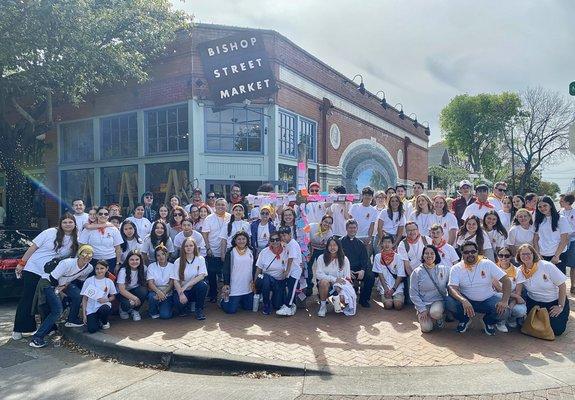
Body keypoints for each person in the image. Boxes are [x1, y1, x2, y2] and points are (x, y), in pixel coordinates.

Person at [12, 213, 79, 340]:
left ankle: (48, 328)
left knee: (47, 301)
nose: (68, 224)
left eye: (70, 222)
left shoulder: (76, 238)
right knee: (28, 298)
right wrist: (22, 263)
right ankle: (19, 328)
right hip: (33, 268)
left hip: (50, 274)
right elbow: (33, 248)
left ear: (75, 224)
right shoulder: (49, 232)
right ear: (60, 223)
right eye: (65, 222)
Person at [29, 246, 94, 348]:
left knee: (77, 295)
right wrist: (60, 292)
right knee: (57, 310)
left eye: (90, 255)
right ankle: (37, 338)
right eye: (84, 254)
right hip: (49, 283)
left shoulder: (89, 268)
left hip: (64, 284)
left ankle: (71, 319)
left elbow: (78, 279)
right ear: (79, 254)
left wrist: (64, 287)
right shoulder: (67, 263)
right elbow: (53, 278)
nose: (86, 257)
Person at [446, 241, 511, 335]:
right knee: (448, 301)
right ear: (462, 254)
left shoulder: (487, 264)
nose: (470, 254)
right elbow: (452, 288)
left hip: (488, 299)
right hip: (467, 301)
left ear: (477, 252)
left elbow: (506, 281)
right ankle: (464, 320)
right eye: (466, 252)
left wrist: (504, 301)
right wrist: (463, 300)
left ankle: (488, 321)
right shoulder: (456, 268)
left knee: (506, 310)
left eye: (473, 251)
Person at [515, 243, 569, 336]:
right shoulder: (520, 271)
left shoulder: (546, 266)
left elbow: (562, 285)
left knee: (557, 330)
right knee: (531, 328)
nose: (526, 256)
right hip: (534, 303)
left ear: (534, 254)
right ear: (519, 257)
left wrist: (560, 306)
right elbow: (518, 292)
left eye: (528, 253)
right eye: (523, 254)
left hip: (553, 302)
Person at [410, 245, 450, 332]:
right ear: (423, 256)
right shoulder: (417, 272)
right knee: (426, 329)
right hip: (423, 303)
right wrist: (422, 309)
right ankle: (423, 315)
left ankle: (439, 318)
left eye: (432, 253)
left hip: (438, 301)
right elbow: (413, 294)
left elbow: (453, 279)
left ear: (436, 255)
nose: (429, 256)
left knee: (435, 313)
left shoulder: (443, 269)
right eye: (426, 253)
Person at [315, 237, 355, 317]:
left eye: (334, 245)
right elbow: (318, 275)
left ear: (339, 247)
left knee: (343, 299)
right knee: (323, 282)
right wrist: (334, 280)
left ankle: (337, 300)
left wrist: (339, 286)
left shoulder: (344, 259)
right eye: (330, 245)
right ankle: (323, 307)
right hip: (327, 285)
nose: (332, 247)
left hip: (340, 285)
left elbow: (347, 277)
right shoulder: (321, 258)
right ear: (327, 247)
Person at [171, 237, 209, 320]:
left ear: (194, 247)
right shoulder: (178, 261)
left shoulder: (200, 259)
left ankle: (199, 309)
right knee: (179, 303)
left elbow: (201, 276)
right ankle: (185, 306)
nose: (188, 248)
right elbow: (175, 281)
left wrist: (186, 285)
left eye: (191, 245)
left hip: (193, 289)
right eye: (186, 246)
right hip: (182, 290)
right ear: (183, 248)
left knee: (203, 285)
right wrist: (181, 293)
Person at [340, 219, 375, 308]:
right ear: (346, 229)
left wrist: (362, 270)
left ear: (357, 229)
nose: (352, 230)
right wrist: (347, 270)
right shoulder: (340, 242)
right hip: (345, 269)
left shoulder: (360, 243)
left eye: (354, 228)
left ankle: (364, 299)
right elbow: (338, 259)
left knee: (370, 276)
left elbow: (365, 259)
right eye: (350, 228)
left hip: (358, 269)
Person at [202, 198, 231, 302]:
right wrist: (208, 248)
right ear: (215, 205)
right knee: (212, 274)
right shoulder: (209, 218)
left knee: (226, 274)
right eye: (218, 204)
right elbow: (204, 234)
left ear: (226, 206)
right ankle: (213, 294)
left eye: (223, 205)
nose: (220, 206)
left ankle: (226, 295)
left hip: (227, 251)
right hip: (213, 251)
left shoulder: (230, 217)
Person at [533, 196, 571, 274]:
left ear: (550, 205)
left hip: (558, 256)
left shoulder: (561, 219)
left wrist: (556, 256)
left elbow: (565, 240)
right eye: (540, 206)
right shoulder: (538, 220)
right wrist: (538, 254)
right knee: (545, 281)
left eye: (545, 205)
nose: (542, 208)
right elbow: (535, 239)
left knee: (558, 282)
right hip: (542, 256)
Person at [79, 206, 123, 273]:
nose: (103, 216)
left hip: (110, 260)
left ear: (108, 216)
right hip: (93, 260)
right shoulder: (88, 229)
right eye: (100, 214)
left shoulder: (113, 229)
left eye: (106, 214)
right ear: (96, 215)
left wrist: (117, 264)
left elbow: (118, 248)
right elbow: (82, 246)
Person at [493, 247, 527, 331]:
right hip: (499, 297)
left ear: (511, 257)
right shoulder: (493, 268)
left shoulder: (518, 271)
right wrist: (515, 296)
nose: (503, 258)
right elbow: (498, 289)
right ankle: (500, 321)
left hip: (513, 298)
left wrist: (512, 304)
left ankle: (511, 318)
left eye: (506, 256)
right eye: (500, 255)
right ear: (497, 256)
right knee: (500, 296)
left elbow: (518, 291)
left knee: (520, 311)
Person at [221, 232, 256, 314]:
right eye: (239, 239)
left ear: (247, 240)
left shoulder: (251, 250)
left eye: (243, 239)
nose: (241, 241)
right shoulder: (230, 252)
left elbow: (254, 267)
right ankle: (223, 300)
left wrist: (254, 281)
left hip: (247, 286)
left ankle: (239, 300)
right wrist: (226, 283)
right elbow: (226, 269)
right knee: (231, 310)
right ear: (235, 241)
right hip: (235, 286)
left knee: (249, 307)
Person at [398, 221, 430, 304]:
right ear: (406, 232)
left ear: (418, 230)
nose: (412, 232)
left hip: (427, 272)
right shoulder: (402, 244)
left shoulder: (427, 239)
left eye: (414, 229)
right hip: (412, 274)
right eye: (409, 230)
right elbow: (407, 266)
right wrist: (416, 279)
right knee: (411, 302)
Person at [255, 231, 287, 315]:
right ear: (269, 241)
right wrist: (255, 284)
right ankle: (266, 303)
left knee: (277, 305)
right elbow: (258, 269)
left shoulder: (286, 251)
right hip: (265, 280)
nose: (275, 242)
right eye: (272, 240)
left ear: (280, 240)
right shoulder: (264, 252)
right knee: (266, 279)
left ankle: (274, 298)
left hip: (279, 281)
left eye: (277, 239)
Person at [81, 260, 117, 333]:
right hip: (91, 308)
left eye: (102, 268)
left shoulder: (109, 281)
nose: (99, 270)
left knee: (104, 309)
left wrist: (105, 300)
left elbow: (113, 297)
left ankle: (104, 321)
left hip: (103, 305)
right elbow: (85, 298)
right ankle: (96, 320)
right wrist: (84, 314)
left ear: (106, 269)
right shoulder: (89, 280)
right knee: (92, 330)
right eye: (97, 268)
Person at [373, 235, 406, 310]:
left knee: (398, 306)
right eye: (384, 242)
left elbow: (400, 275)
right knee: (388, 305)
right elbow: (380, 274)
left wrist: (393, 289)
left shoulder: (398, 257)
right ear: (381, 244)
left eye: (389, 242)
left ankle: (397, 297)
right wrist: (386, 288)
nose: (387, 244)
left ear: (393, 244)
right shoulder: (378, 257)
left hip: (397, 286)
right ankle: (387, 297)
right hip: (384, 286)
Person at [276, 227, 304, 316]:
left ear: (290, 234)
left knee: (292, 289)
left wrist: (287, 271)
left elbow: (291, 258)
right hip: (290, 271)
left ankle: (288, 306)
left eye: (284, 235)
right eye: (281, 236)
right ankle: (290, 306)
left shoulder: (292, 244)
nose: (283, 238)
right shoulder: (287, 244)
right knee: (290, 288)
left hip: (294, 271)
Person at [116, 250, 148, 321]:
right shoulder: (123, 271)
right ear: (128, 260)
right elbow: (121, 290)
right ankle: (123, 309)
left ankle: (135, 310)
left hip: (135, 290)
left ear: (140, 260)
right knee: (127, 304)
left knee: (143, 291)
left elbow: (146, 283)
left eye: (137, 259)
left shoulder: (144, 268)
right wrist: (135, 298)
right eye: (132, 260)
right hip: (122, 293)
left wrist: (134, 298)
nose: (134, 262)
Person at [306, 215, 334, 294]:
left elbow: (329, 247)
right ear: (321, 221)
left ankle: (321, 290)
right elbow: (303, 233)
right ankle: (309, 287)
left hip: (322, 250)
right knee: (308, 268)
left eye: (329, 223)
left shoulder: (330, 234)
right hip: (310, 247)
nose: (327, 224)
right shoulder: (311, 226)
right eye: (325, 221)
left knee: (321, 270)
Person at [146, 244, 175, 319]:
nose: (161, 257)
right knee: (151, 297)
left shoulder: (172, 266)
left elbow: (171, 283)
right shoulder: (151, 266)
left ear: (167, 255)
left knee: (165, 315)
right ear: (155, 257)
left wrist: (164, 293)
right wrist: (158, 292)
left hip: (167, 292)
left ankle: (166, 306)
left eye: (163, 254)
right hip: (155, 291)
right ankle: (153, 312)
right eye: (158, 255)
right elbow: (150, 283)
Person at [348, 186, 376, 251]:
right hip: (353, 236)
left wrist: (369, 237)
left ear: (372, 197)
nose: (367, 197)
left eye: (369, 195)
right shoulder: (355, 206)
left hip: (365, 238)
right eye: (365, 195)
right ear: (362, 196)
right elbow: (349, 221)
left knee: (365, 258)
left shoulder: (373, 210)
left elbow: (372, 226)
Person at [559, 193, 575, 294]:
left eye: (562, 201)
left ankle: (573, 285)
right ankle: (561, 286)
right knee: (562, 264)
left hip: (573, 241)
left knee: (573, 265)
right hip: (561, 243)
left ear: (568, 202)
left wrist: (569, 236)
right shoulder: (560, 212)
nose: (560, 202)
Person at [372, 191, 387, 255]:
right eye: (379, 197)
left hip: (383, 236)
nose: (381, 199)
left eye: (383, 197)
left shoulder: (388, 210)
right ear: (375, 199)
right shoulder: (372, 210)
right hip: (372, 235)